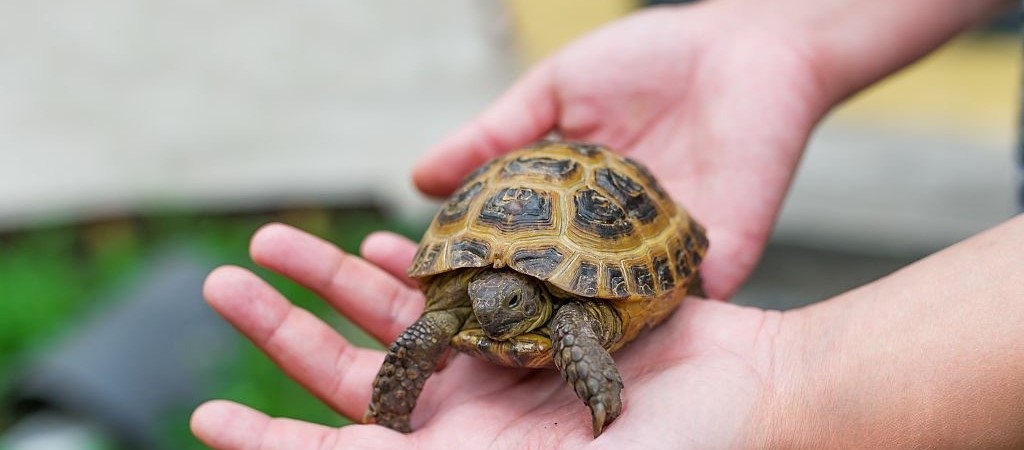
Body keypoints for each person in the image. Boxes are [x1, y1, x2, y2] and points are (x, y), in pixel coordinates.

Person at [190, 0, 1024, 448]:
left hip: (610, 222)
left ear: (531, 303)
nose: (487, 313)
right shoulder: (467, 303)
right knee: (418, 335)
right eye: (480, 302)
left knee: (577, 338)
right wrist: (781, 35)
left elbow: (575, 338)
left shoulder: (577, 315)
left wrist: (790, 397)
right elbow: (427, 332)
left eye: (505, 306)